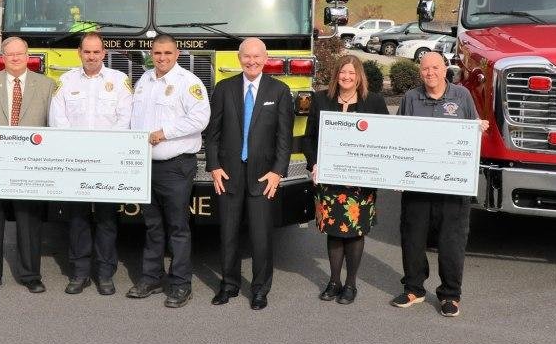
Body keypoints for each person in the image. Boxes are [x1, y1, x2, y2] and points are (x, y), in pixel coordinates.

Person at [392, 51, 488, 317]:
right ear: (420, 72)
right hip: (418, 184)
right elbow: (398, 138)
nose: (430, 73)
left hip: (453, 186)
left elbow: (472, 134)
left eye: (435, 68)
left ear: (445, 69)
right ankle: (414, 288)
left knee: (452, 242)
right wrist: (396, 173)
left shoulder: (462, 97)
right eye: (425, 69)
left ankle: (450, 295)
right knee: (412, 237)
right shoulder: (411, 98)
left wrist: (478, 129)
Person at [204, 38, 292, 311]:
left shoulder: (279, 91)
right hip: (228, 174)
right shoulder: (223, 89)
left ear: (265, 59)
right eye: (246, 57)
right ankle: (228, 285)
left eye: (257, 57)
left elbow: (283, 138)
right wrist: (214, 166)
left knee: (261, 236)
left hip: (263, 176)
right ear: (239, 58)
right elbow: (213, 134)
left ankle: (259, 289)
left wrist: (278, 172)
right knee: (228, 233)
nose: (251, 61)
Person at [0, 36, 55, 295]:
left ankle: (30, 275)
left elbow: (53, 125)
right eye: (9, 54)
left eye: (19, 54)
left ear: (28, 56)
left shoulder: (47, 86)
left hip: (30, 168)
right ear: (2, 58)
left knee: (29, 224)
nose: (15, 58)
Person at [126, 34, 210, 308]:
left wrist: (164, 133)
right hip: (144, 164)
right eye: (158, 53)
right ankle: (151, 277)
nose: (162, 58)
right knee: (152, 226)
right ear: (151, 53)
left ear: (178, 54)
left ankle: (180, 284)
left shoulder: (189, 83)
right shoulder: (144, 80)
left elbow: (200, 119)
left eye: (167, 53)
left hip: (175, 167)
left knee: (177, 227)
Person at [48, 32, 133, 296]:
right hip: (77, 162)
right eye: (87, 52)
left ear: (104, 53)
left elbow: (125, 119)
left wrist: (104, 150)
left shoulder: (119, 81)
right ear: (79, 53)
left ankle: (105, 274)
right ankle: (80, 273)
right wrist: (79, 150)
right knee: (78, 219)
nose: (92, 57)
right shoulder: (65, 80)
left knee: (107, 219)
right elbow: (57, 120)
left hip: (108, 163)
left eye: (97, 52)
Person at [302, 54, 389, 305]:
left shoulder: (373, 102)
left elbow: (386, 138)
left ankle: (350, 284)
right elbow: (309, 138)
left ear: (358, 75)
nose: (346, 77)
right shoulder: (321, 99)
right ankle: (333, 281)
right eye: (342, 73)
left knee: (354, 231)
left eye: (351, 73)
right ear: (336, 75)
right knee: (334, 231)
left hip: (361, 182)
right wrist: (313, 164)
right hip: (330, 179)